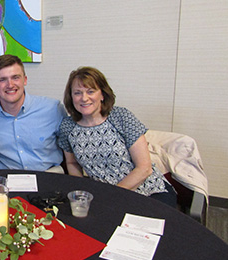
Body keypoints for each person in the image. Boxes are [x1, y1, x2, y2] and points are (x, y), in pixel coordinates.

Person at [58, 66, 177, 207]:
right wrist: (81, 192)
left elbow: (144, 168)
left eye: (91, 91)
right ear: (71, 97)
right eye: (77, 93)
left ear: (102, 94)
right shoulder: (67, 127)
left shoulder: (121, 116)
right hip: (103, 196)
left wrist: (112, 195)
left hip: (148, 192)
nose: (84, 98)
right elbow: (72, 163)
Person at [0, 54, 67, 172]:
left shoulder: (53, 109)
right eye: (2, 80)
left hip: (48, 175)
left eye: (15, 77)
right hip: (6, 177)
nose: (10, 85)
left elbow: (70, 152)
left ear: (25, 80)